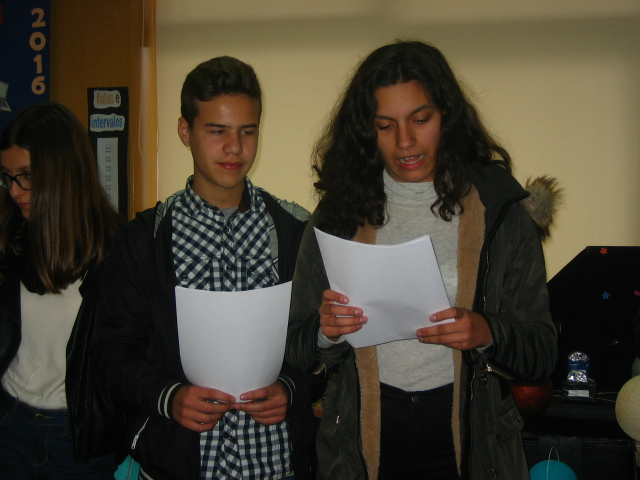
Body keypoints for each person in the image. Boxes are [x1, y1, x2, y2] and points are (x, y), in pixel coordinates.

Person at [285, 40, 560, 480]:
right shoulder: (337, 215)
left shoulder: (500, 211)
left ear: (446, 117)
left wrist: (486, 330)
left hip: (473, 440)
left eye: (420, 119)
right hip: (362, 440)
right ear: (366, 130)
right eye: (385, 125)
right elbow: (292, 346)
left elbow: (542, 353)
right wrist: (325, 331)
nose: (405, 141)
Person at [92, 56, 320, 480]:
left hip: (277, 466)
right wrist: (169, 396)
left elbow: (322, 346)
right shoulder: (143, 240)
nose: (235, 147)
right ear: (185, 131)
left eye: (247, 131)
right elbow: (111, 353)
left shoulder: (295, 233)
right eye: (217, 131)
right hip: (175, 464)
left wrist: (292, 389)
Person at [0, 103, 125, 478]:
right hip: (9, 422)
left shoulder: (117, 252)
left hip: (77, 437)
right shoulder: (8, 239)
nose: (15, 191)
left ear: (63, 172)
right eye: (7, 177)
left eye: (26, 176)